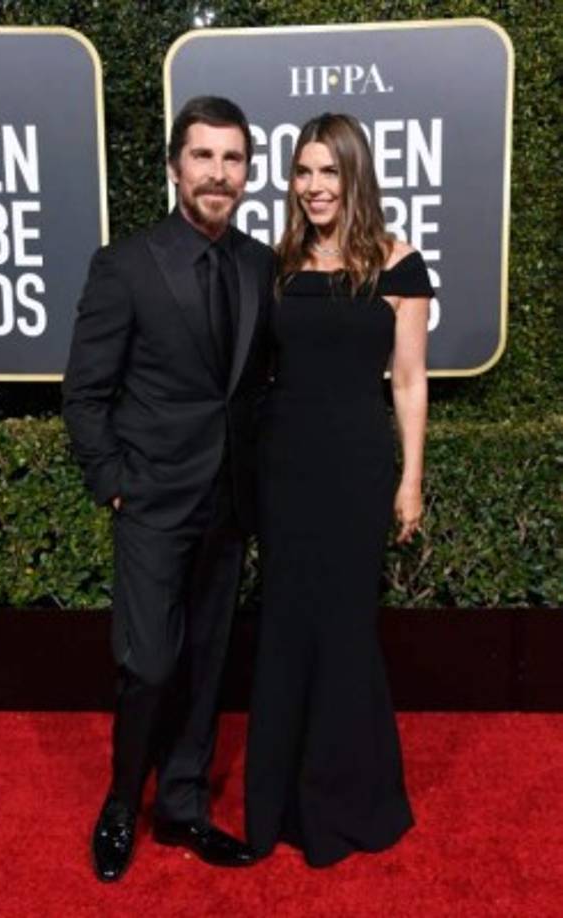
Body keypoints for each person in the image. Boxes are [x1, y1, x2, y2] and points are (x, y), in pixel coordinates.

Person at [62, 96, 274, 881]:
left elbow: (254, 389)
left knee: (208, 662)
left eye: (232, 159)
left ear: (247, 172)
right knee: (150, 661)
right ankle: (123, 801)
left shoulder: (258, 264)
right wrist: (115, 485)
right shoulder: (126, 264)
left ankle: (183, 806)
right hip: (152, 501)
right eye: (203, 156)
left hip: (228, 503)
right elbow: (84, 392)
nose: (218, 174)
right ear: (174, 166)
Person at [245, 113, 433, 867]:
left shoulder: (399, 263)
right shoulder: (277, 263)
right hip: (284, 466)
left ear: (355, 175)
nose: (316, 186)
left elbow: (411, 380)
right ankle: (281, 800)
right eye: (304, 172)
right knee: (287, 624)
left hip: (356, 467)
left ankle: (350, 798)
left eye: (330, 171)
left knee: (347, 627)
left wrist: (410, 477)